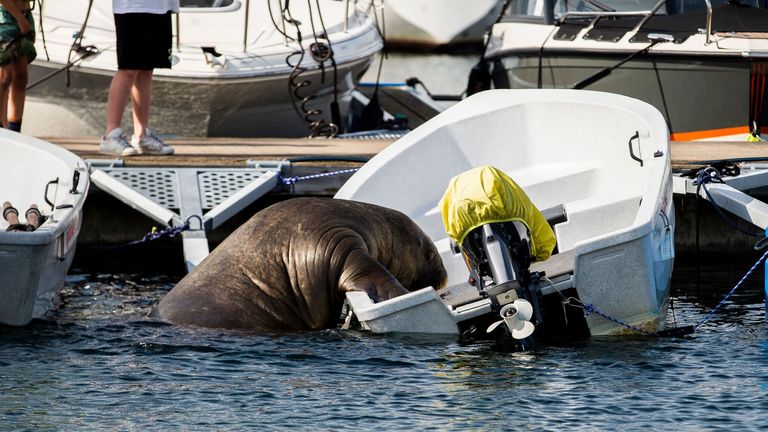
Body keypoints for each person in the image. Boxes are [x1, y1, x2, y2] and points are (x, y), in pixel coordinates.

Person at [99, 0, 179, 156]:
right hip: (132, 7)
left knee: (146, 69)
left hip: (161, 7)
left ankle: (142, 135)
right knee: (128, 68)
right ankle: (110, 135)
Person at [0, 0, 35, 133]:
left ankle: (15, 130)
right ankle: (1, 131)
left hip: (25, 13)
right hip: (6, 16)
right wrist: (19, 18)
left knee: (21, 77)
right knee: (5, 76)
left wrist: (24, 18)